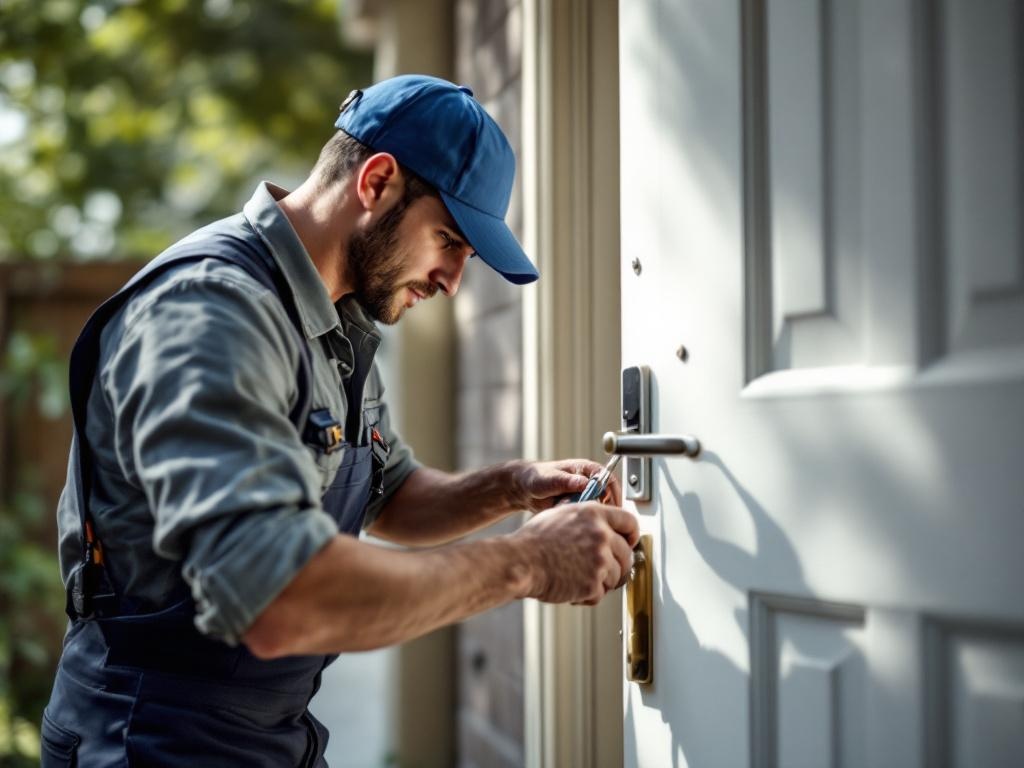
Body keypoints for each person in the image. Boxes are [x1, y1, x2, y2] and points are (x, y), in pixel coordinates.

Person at [41, 74, 637, 767]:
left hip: (268, 736)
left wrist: (513, 486)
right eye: (448, 239)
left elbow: (388, 493)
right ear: (377, 181)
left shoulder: (332, 321)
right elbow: (280, 601)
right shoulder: (211, 316)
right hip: (151, 739)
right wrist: (530, 561)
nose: (451, 281)